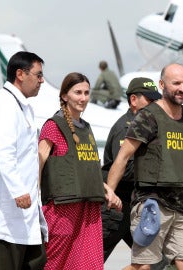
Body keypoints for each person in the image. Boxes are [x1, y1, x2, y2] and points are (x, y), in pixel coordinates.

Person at [106, 63, 183, 270]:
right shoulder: (148, 116)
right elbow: (123, 157)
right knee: (144, 266)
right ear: (162, 85)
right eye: (176, 83)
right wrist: (110, 191)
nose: (182, 88)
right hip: (152, 202)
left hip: (181, 204)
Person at [38, 72, 121, 270]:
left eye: (86, 93)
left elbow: (85, 169)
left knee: (88, 265)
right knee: (54, 264)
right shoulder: (53, 126)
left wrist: (107, 190)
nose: (83, 98)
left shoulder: (86, 128)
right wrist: (32, 199)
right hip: (62, 209)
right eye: (77, 92)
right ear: (65, 95)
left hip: (89, 208)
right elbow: (38, 164)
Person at [0, 51, 48, 270]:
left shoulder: (21, 106)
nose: (42, 80)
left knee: (36, 260)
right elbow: (4, 152)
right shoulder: (5, 105)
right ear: (20, 74)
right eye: (38, 75)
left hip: (24, 206)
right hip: (9, 204)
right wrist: (18, 191)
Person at [101, 77, 168, 269]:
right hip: (116, 208)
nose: (155, 105)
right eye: (150, 100)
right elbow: (126, 169)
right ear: (133, 100)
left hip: (136, 207)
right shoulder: (126, 128)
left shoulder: (148, 127)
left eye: (156, 100)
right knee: (92, 261)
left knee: (154, 261)